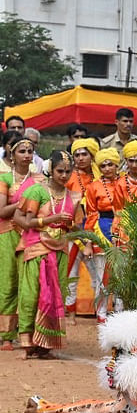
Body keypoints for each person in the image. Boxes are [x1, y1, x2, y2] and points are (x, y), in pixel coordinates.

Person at [12, 150, 75, 359]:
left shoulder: (71, 195)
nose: (64, 175)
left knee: (57, 295)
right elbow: (21, 219)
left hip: (60, 250)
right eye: (59, 171)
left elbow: (76, 225)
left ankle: (45, 344)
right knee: (33, 295)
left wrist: (74, 230)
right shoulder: (37, 191)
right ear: (50, 169)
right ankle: (28, 341)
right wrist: (49, 220)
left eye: (67, 171)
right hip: (37, 247)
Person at [0, 135, 46, 347]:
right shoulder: (4, 178)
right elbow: (1, 211)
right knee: (8, 282)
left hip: (31, 233)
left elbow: (44, 206)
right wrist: (23, 201)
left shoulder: (39, 179)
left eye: (30, 151)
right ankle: (7, 335)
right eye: (22, 151)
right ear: (12, 154)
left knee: (30, 282)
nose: (27, 155)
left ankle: (28, 332)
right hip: (8, 233)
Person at [81, 148, 124, 323]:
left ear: (116, 165)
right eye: (103, 165)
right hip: (102, 229)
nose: (107, 168)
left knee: (120, 275)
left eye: (110, 164)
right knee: (102, 274)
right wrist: (89, 243)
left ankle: (120, 313)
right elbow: (90, 215)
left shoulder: (125, 183)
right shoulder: (93, 187)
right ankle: (102, 314)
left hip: (123, 229)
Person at [64, 137, 98, 320]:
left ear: (92, 155)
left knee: (97, 274)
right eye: (76, 154)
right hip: (73, 232)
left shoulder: (99, 177)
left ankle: (100, 311)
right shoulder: (69, 178)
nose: (80, 158)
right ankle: (70, 313)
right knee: (71, 273)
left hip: (95, 233)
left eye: (84, 154)